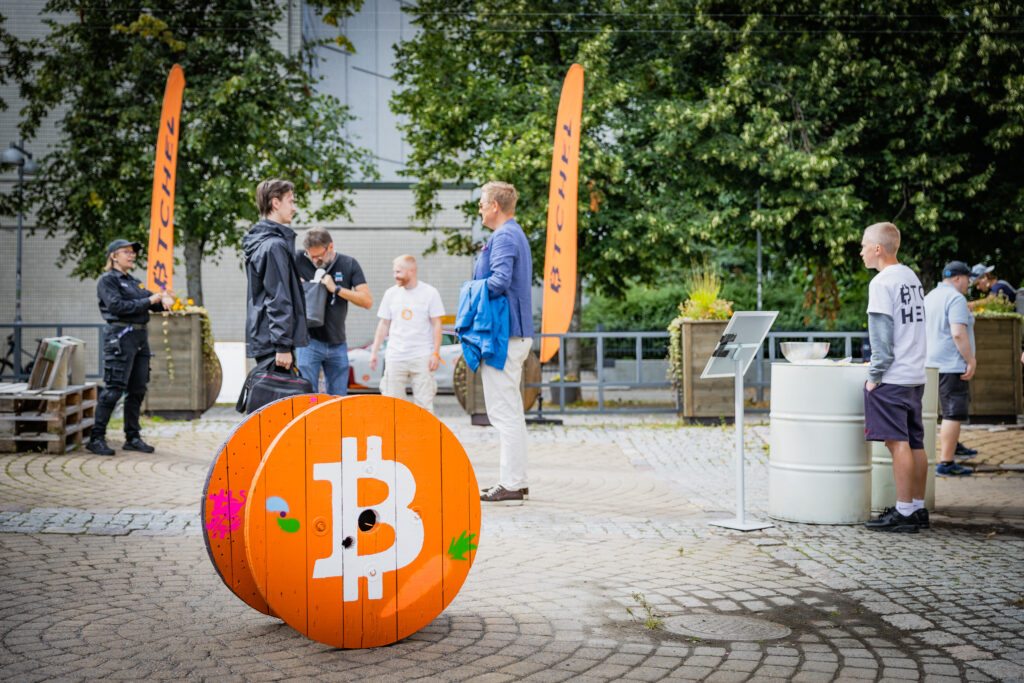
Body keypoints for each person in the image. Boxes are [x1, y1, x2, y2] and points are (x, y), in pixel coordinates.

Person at [859, 222, 929, 533]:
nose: (860, 251)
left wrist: (874, 377)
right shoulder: (910, 277)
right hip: (915, 374)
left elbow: (882, 341)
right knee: (915, 442)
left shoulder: (881, 283)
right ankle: (917, 507)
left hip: (893, 376)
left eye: (864, 245)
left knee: (897, 442)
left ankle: (903, 514)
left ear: (877, 249)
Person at [474, 181, 534, 505]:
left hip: (504, 336)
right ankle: (516, 480)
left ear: (495, 206)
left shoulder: (505, 236)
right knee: (511, 412)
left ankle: (511, 484)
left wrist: (470, 295)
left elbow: (499, 281)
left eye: (483, 203)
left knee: (504, 413)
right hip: (512, 333)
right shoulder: (513, 234)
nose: (480, 208)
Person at [86, 239, 174, 456]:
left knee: (137, 389)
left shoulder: (134, 282)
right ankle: (96, 438)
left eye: (133, 252)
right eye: (126, 252)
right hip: (120, 337)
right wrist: (149, 300)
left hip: (139, 338)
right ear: (113, 256)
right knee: (114, 388)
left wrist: (163, 300)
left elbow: (149, 302)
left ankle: (132, 437)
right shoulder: (107, 281)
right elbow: (117, 306)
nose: (132, 255)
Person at [294, 227, 372, 395]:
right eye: (311, 256)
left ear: (330, 247)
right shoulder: (298, 259)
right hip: (308, 342)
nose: (314, 261)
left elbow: (367, 301)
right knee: (308, 398)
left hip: (338, 343)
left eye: (318, 256)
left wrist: (336, 289)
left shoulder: (348, 264)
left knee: (338, 400)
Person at [243, 178, 308, 371]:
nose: (294, 208)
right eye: (291, 201)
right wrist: (282, 346)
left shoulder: (261, 242)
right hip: (274, 344)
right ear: (275, 202)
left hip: (267, 338)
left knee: (274, 399)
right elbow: (277, 297)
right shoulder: (274, 245)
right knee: (282, 400)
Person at [370, 255, 445, 413]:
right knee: (391, 403)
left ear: (411, 271)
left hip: (422, 355)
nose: (395, 275)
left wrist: (435, 353)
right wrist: (375, 351)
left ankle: (423, 436)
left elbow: (437, 324)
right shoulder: (391, 294)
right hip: (395, 355)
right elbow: (384, 324)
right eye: (394, 272)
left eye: (398, 271)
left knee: (424, 402)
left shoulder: (430, 293)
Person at [924, 261, 977, 477]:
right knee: (953, 413)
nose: (968, 284)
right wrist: (971, 360)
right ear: (957, 278)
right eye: (967, 279)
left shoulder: (930, 297)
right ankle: (946, 462)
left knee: (941, 412)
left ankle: (952, 445)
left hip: (931, 362)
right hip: (951, 363)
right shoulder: (956, 298)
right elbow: (957, 332)